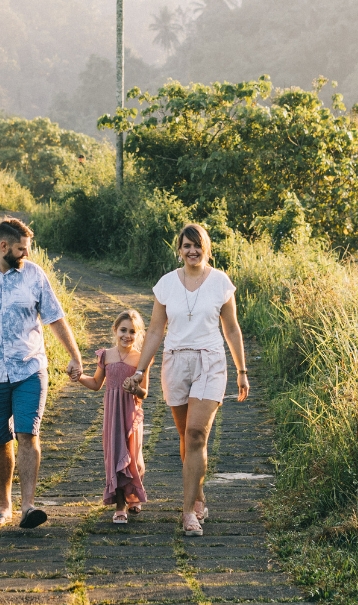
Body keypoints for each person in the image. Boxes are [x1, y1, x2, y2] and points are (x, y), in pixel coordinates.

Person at [0, 217, 83, 529]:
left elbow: (55, 319)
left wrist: (75, 356)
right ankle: (4, 505)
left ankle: (28, 506)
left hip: (29, 369)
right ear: (3, 246)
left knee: (27, 433)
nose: (26, 255)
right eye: (21, 249)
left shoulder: (35, 276)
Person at [124, 222, 249, 536]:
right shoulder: (166, 284)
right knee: (184, 437)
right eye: (186, 246)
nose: (192, 251)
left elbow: (231, 329)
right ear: (179, 249)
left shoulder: (221, 282)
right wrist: (140, 370)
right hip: (176, 361)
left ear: (206, 247)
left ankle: (187, 513)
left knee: (195, 434)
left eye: (198, 245)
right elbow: (154, 331)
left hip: (211, 362)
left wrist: (242, 371)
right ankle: (199, 497)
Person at [75, 309, 150, 524]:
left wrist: (135, 389)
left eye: (132, 331)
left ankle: (133, 496)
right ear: (115, 330)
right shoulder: (106, 355)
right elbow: (96, 384)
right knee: (115, 455)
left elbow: (145, 392)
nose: (127, 335)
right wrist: (79, 376)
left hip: (131, 411)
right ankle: (120, 506)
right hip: (112, 413)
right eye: (123, 330)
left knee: (135, 458)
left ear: (138, 334)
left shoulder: (141, 359)